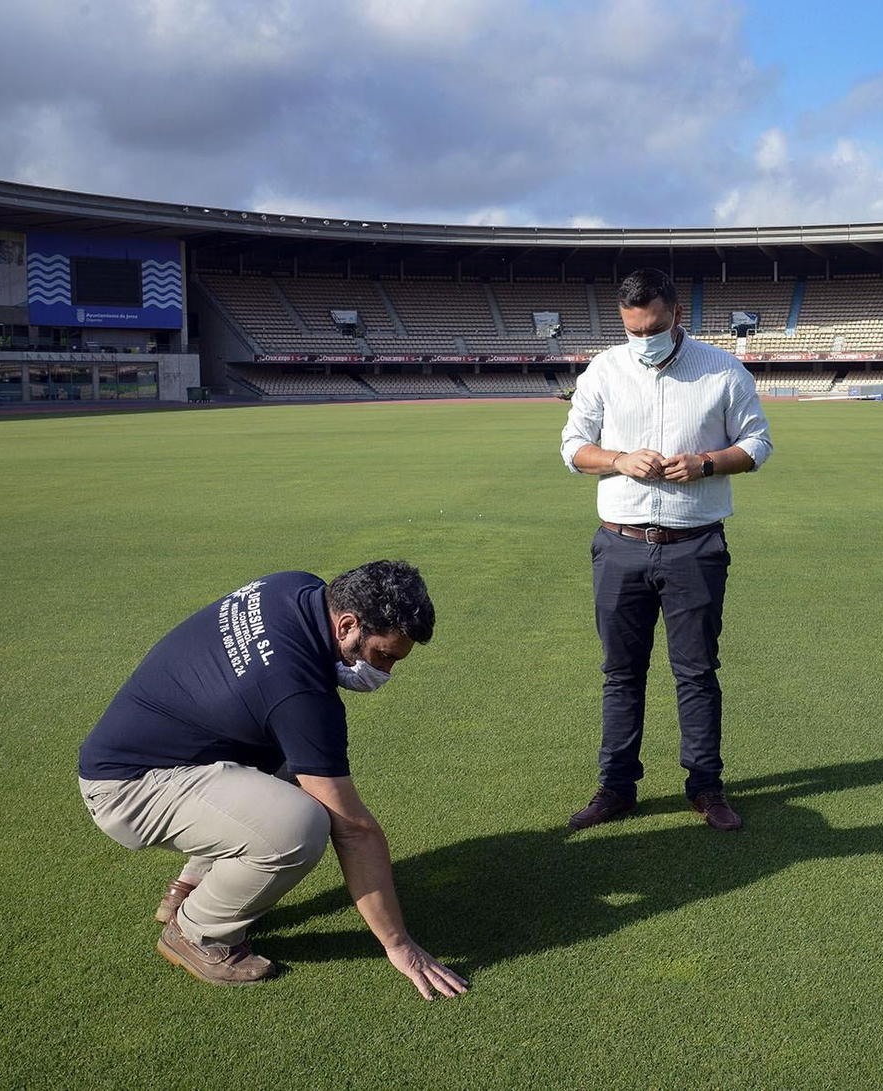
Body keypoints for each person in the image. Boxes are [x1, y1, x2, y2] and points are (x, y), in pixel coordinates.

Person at [77, 562, 468, 999]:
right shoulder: (300, 694)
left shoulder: (296, 586)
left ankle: (190, 890)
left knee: (291, 757)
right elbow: (354, 831)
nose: (386, 673)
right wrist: (400, 946)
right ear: (347, 625)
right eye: (384, 656)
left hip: (168, 756)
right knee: (299, 825)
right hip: (126, 788)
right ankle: (197, 933)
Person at [559, 267, 772, 833]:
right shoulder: (604, 369)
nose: (643, 340)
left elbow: (758, 442)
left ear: (677, 315)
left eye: (652, 327)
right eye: (632, 330)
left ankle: (705, 787)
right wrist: (618, 459)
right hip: (620, 545)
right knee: (620, 674)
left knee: (696, 673)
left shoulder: (722, 370)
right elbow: (573, 446)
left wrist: (706, 463)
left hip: (693, 546)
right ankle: (616, 788)